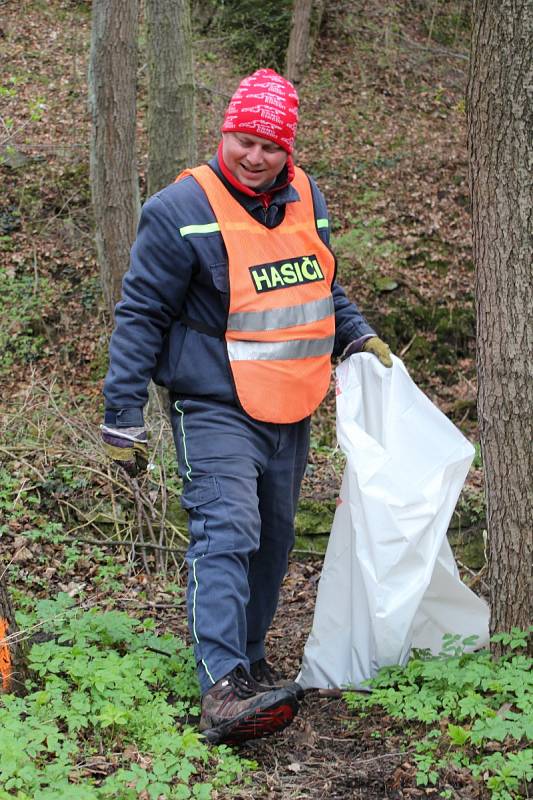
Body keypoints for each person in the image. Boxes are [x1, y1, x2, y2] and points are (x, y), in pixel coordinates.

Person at [101, 68, 392, 745]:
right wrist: (122, 416)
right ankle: (221, 687)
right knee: (225, 532)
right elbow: (141, 314)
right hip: (213, 403)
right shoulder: (179, 209)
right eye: (243, 140)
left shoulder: (305, 197)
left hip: (290, 403)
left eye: (269, 145)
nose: (254, 156)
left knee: (272, 541)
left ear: (287, 149)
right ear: (222, 132)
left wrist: (357, 334)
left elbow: (318, 283)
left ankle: (253, 663)